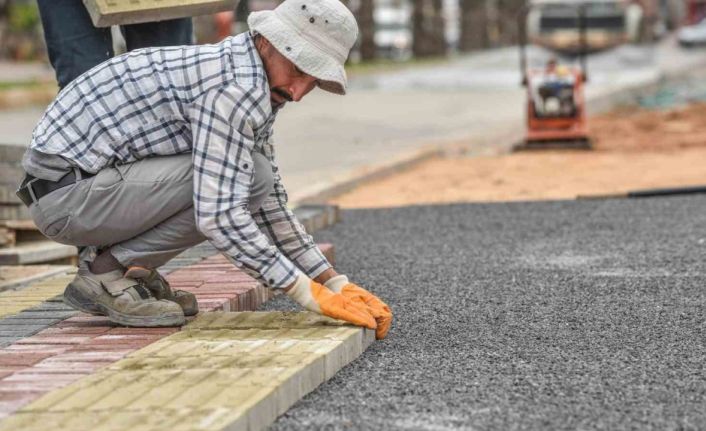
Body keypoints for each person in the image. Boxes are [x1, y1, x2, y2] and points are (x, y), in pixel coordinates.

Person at [17, 0, 392, 339]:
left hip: (82, 188)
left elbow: (270, 202)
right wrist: (304, 292)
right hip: (65, 198)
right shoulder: (234, 88)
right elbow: (220, 217)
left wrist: (333, 281)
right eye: (299, 69)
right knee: (236, 183)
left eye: (314, 82)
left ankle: (123, 269)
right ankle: (106, 274)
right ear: (268, 41)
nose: (297, 92)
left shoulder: (250, 73)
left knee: (253, 177)